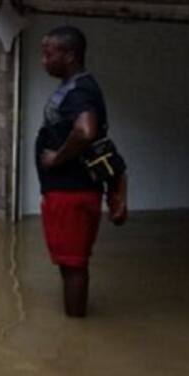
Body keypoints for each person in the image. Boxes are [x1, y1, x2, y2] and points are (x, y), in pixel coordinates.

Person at [36, 25, 128, 318]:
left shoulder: (80, 91)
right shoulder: (76, 86)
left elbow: (86, 131)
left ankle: (74, 339)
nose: (43, 61)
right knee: (69, 264)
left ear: (69, 55)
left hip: (71, 193)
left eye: (48, 54)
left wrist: (56, 159)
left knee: (73, 265)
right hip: (68, 192)